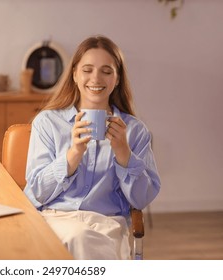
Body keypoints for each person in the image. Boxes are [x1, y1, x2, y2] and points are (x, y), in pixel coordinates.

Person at [24, 36, 161, 260]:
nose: (96, 78)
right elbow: (37, 191)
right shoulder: (47, 122)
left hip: (107, 224)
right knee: (79, 238)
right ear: (75, 74)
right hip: (55, 220)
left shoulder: (134, 131)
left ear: (117, 79)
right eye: (87, 69)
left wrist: (124, 154)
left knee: (84, 240)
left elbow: (141, 199)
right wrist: (73, 155)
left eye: (107, 71)